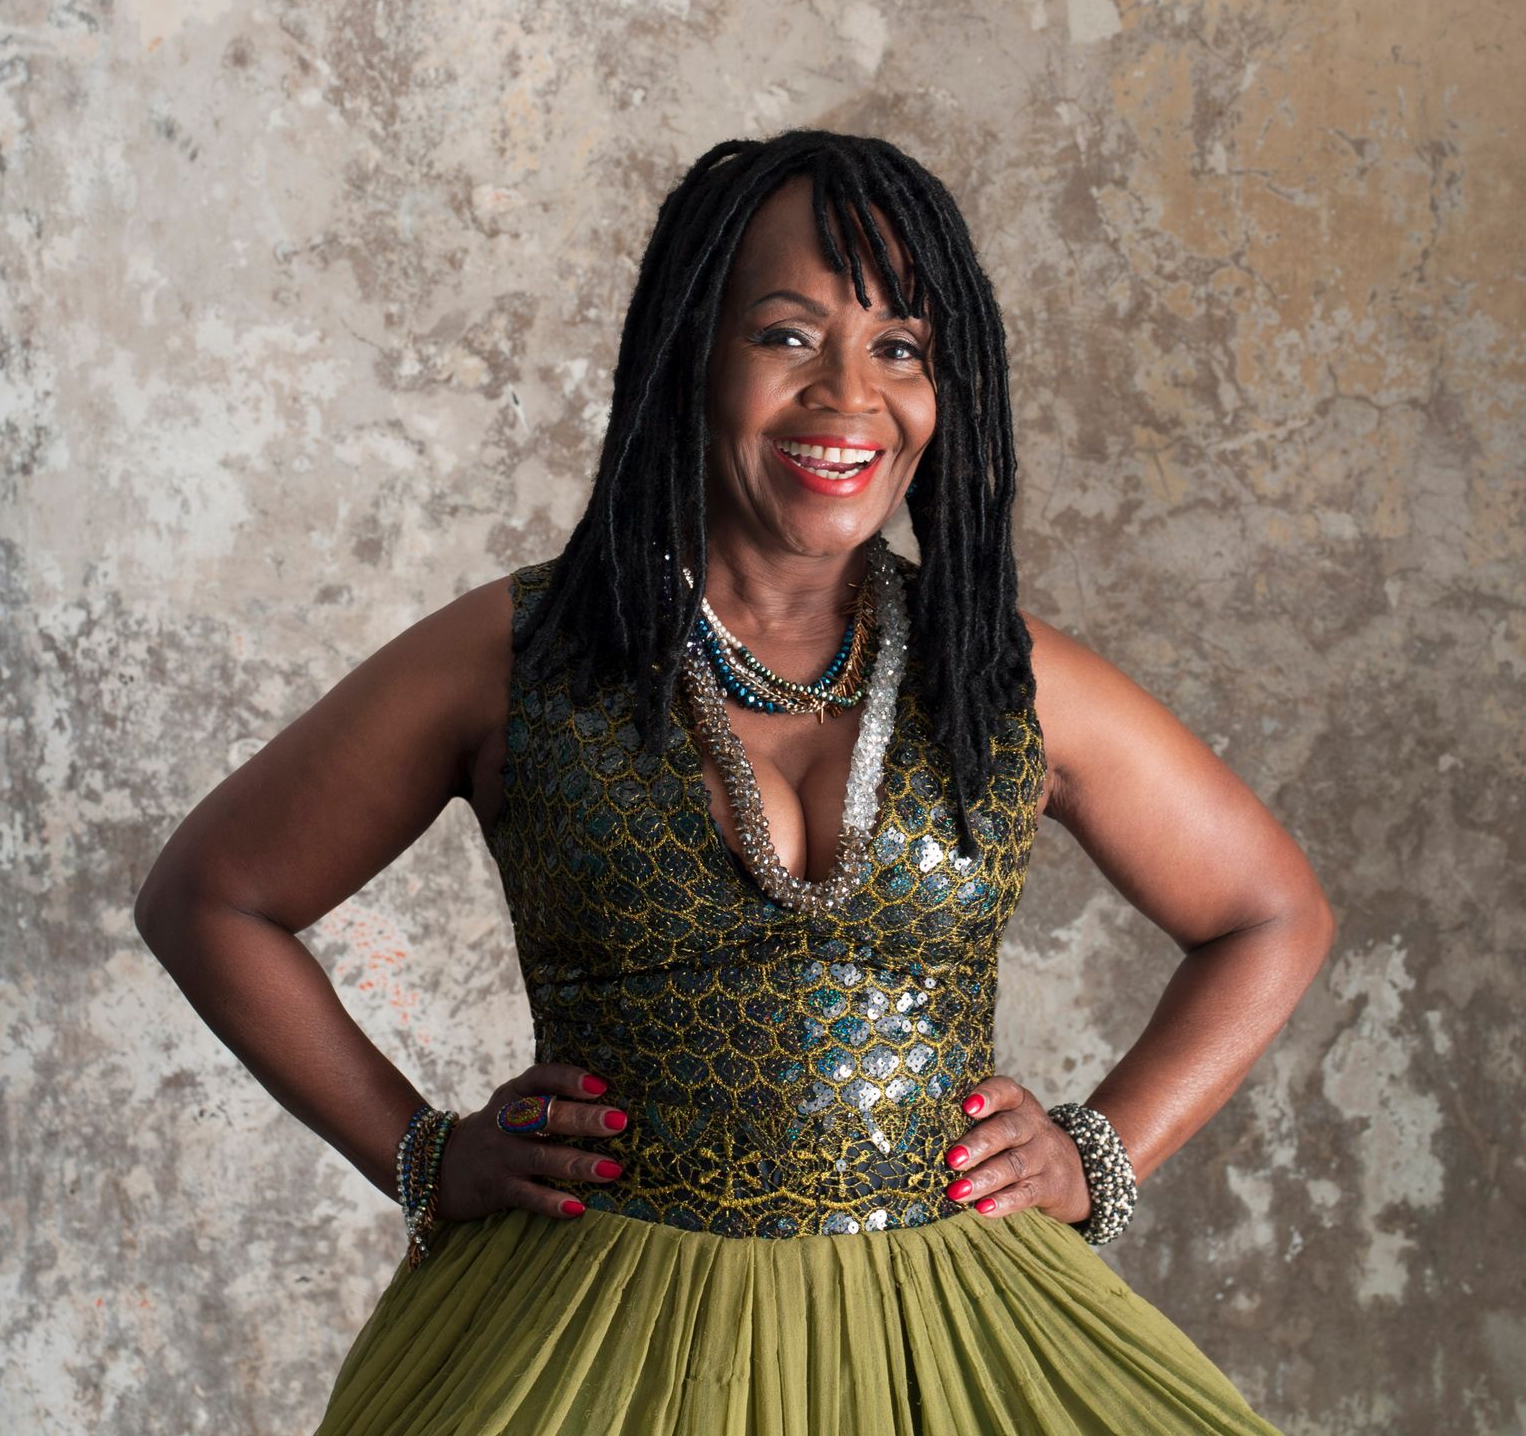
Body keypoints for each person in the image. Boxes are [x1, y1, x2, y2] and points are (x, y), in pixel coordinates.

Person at [135, 128, 1334, 1435]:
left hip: (946, 1341)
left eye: (900, 347)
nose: (848, 396)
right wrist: (422, 1152)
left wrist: (1098, 1154)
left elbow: (1269, 914)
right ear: (692, 354)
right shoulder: (522, 655)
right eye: (786, 335)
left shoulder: (1003, 675)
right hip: (586, 1346)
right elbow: (212, 896)